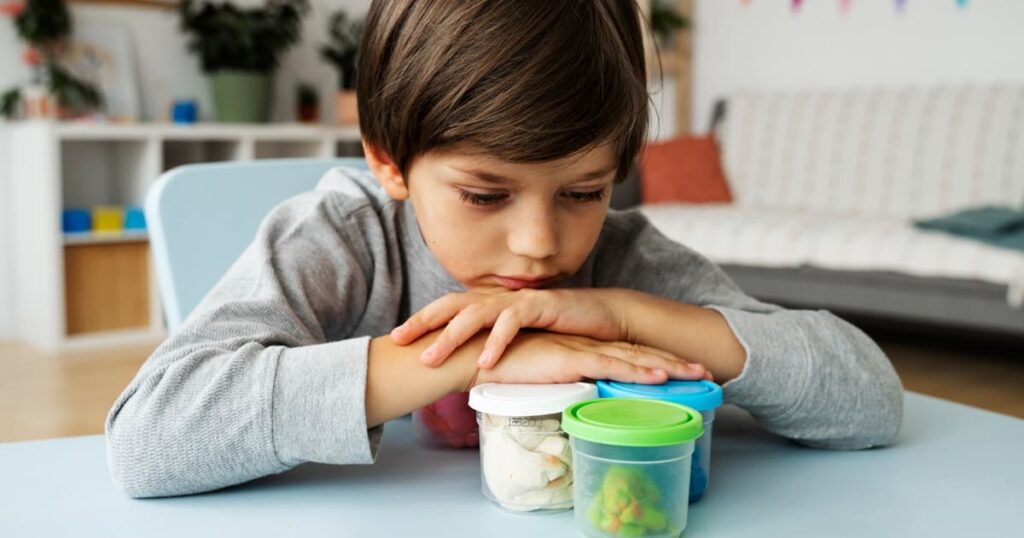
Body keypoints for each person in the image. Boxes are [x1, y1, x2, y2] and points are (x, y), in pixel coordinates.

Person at [106, 0, 902, 499]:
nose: (539, 244)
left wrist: (622, 314)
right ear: (388, 158)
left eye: (584, 191)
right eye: (486, 195)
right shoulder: (343, 237)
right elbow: (146, 441)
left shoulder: (619, 264)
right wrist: (472, 354)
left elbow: (869, 398)